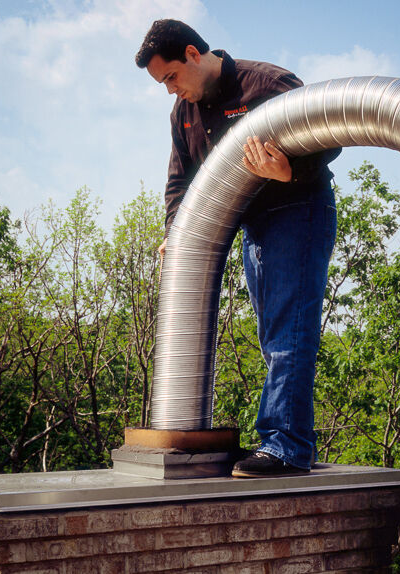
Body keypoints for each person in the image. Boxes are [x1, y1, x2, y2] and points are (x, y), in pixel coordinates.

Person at [136, 19, 340, 477]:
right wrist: (176, 230)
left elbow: (330, 131)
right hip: (251, 223)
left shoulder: (266, 83)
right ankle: (277, 439)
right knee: (273, 337)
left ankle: (287, 447)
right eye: (161, 84)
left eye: (170, 77)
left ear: (192, 54)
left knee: (288, 334)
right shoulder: (184, 115)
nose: (170, 90)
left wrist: (291, 171)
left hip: (297, 211)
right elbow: (179, 182)